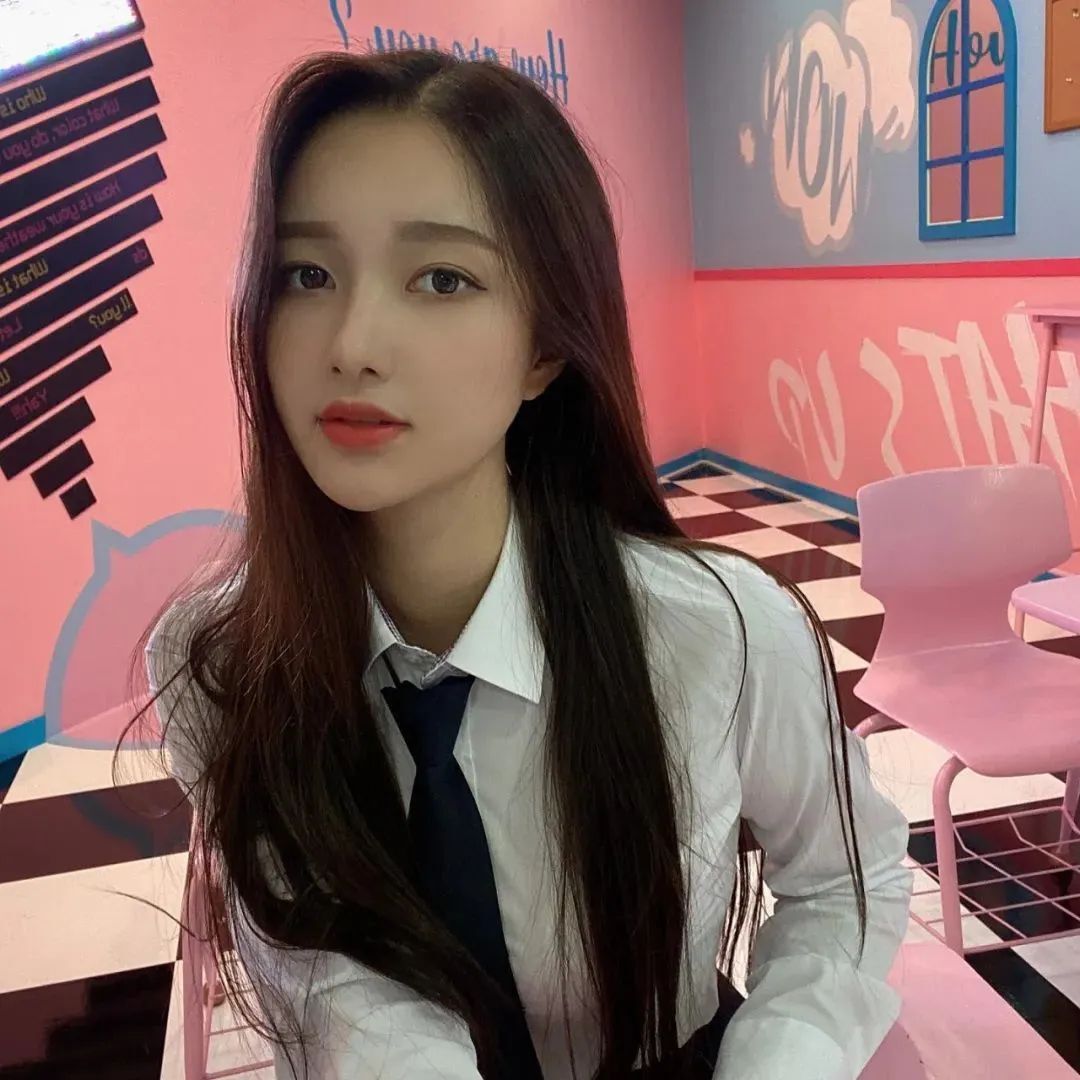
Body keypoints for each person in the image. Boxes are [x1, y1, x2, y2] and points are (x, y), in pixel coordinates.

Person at [137, 49, 912, 1080]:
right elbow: (335, 984)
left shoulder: (718, 631)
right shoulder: (219, 661)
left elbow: (846, 884)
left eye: (442, 278)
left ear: (545, 346)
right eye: (306, 274)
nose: (352, 343)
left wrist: (781, 1059)